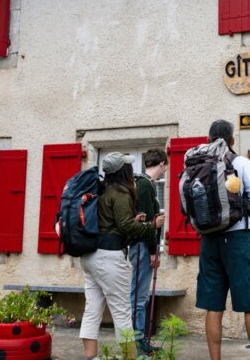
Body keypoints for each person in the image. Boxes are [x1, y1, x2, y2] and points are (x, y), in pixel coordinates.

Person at [79, 152, 165, 360]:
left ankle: (91, 357)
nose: (131, 169)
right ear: (122, 171)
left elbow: (115, 225)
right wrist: (151, 225)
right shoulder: (121, 193)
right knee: (122, 312)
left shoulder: (101, 191)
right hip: (109, 258)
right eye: (128, 166)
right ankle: (130, 358)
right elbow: (126, 227)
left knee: (92, 309)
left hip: (90, 256)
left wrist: (133, 221)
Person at [196, 120, 250, 360]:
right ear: (232, 140)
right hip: (237, 239)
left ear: (209, 139)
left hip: (209, 240)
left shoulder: (199, 164)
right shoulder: (239, 162)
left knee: (213, 305)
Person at [130, 148, 167, 355]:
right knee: (138, 296)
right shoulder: (144, 184)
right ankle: (137, 342)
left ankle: (140, 340)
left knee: (140, 296)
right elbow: (146, 221)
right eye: (165, 167)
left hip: (144, 247)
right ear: (161, 163)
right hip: (142, 247)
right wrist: (154, 251)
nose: (165, 172)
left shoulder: (146, 184)